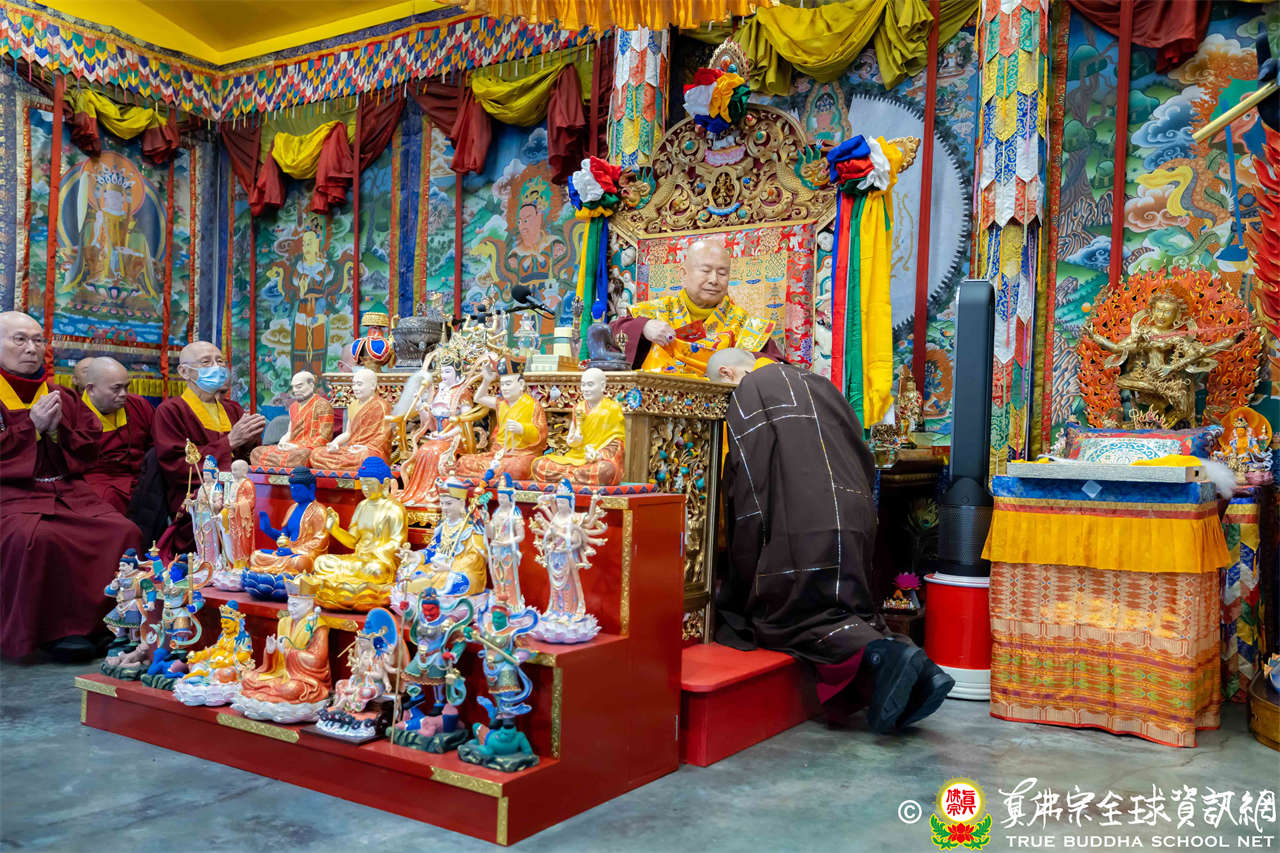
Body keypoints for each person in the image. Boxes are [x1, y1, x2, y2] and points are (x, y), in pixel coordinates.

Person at [705, 347, 953, 733]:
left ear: (727, 373)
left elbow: (750, 479)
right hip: (854, 514)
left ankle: (880, 656)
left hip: (802, 521)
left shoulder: (751, 389)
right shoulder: (819, 382)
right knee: (849, 605)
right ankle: (921, 671)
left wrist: (743, 559)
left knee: (792, 614)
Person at [0, 311, 140, 662]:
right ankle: (54, 633)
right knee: (35, 538)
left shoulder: (60, 394)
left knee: (121, 531)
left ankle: (108, 625)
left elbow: (89, 446)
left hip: (66, 490)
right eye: (20, 339)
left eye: (38, 340)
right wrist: (31, 429)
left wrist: (56, 431)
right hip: (11, 494)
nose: (32, 348)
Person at [153, 341, 265, 561]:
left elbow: (247, 460)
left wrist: (252, 443)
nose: (217, 367)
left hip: (239, 487)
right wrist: (229, 442)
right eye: (206, 362)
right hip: (199, 495)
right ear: (184, 372)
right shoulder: (171, 411)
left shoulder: (232, 409)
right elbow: (177, 467)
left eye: (220, 361)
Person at [610, 239, 783, 376]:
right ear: (684, 275)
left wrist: (746, 364)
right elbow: (609, 340)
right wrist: (643, 328)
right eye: (706, 271)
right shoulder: (653, 313)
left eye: (722, 273)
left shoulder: (746, 326)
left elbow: (777, 370)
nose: (714, 280)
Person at [81, 356, 154, 516]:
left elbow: (155, 446)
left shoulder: (138, 405)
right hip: (97, 483)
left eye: (126, 387)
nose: (123, 394)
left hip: (141, 478)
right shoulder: (75, 413)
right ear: (91, 389)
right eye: (116, 389)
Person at [249, 370, 333, 468]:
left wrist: (297, 446)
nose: (295, 390)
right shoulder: (293, 406)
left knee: (305, 455)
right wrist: (282, 443)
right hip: (292, 448)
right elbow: (290, 432)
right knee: (256, 452)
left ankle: (282, 462)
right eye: (293, 387)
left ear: (311, 385)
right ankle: (284, 462)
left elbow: (324, 438)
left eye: (299, 386)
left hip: (308, 449)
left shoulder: (323, 405)